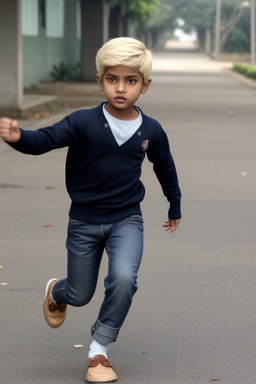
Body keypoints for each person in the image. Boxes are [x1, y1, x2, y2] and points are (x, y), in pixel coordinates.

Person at [0, 37, 181, 382]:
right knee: (81, 295)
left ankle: (99, 349)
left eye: (131, 80)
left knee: (125, 278)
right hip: (84, 221)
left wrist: (175, 203)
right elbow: (45, 140)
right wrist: (18, 137)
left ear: (145, 85)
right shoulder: (82, 121)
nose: (121, 88)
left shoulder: (151, 130)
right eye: (112, 79)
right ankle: (58, 292)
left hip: (127, 218)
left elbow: (165, 167)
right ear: (100, 81)